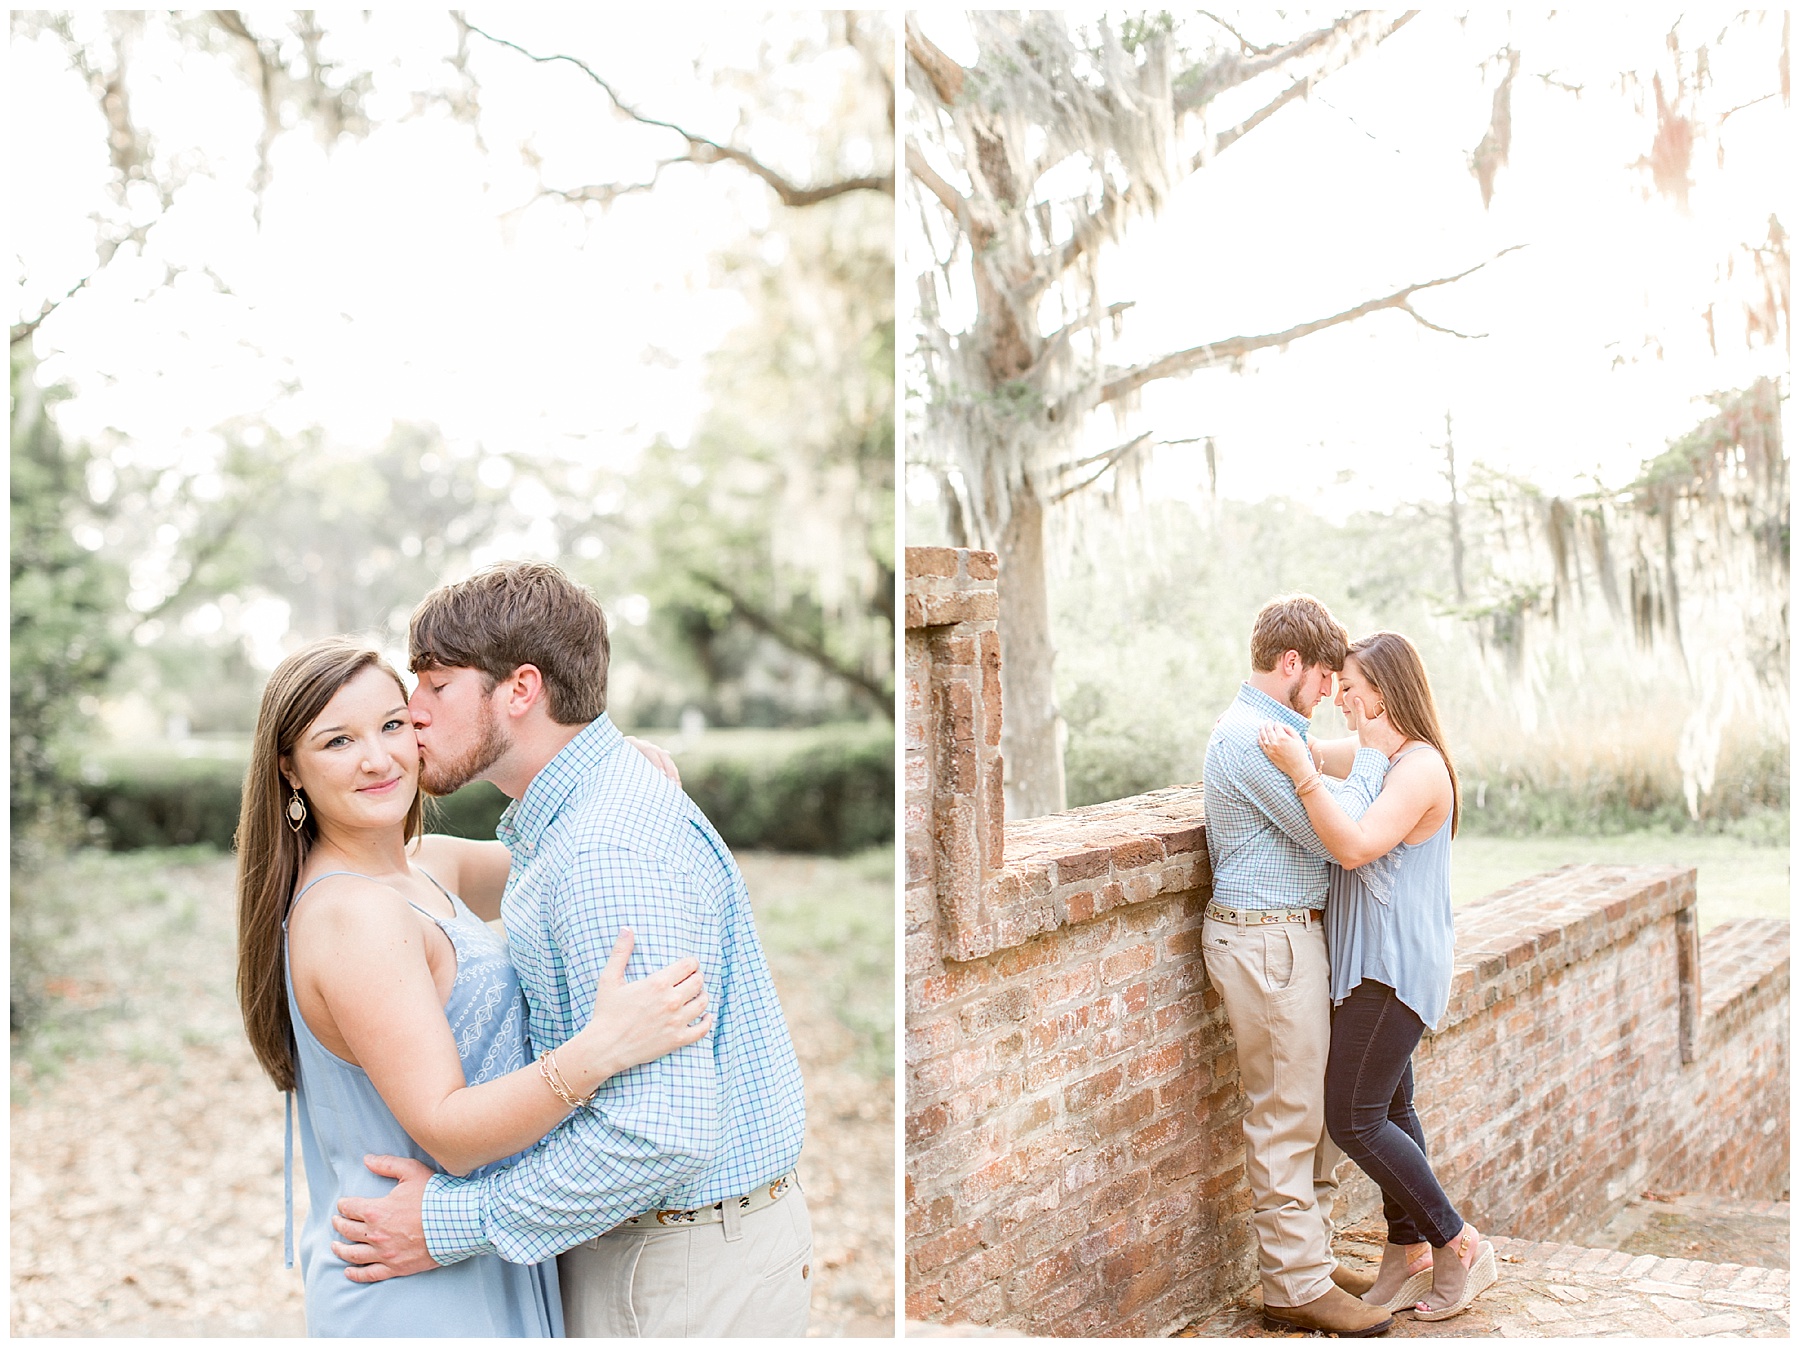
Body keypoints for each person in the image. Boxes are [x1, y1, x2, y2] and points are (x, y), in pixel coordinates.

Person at [328, 560, 811, 1338]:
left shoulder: (603, 848)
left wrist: (449, 1222)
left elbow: (660, 1130)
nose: (411, 712)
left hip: (673, 1270)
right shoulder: (576, 818)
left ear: (520, 690)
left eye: (435, 685)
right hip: (655, 1248)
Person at [237, 638, 713, 1336]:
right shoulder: (353, 915)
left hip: (471, 1249)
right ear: (290, 769)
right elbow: (450, 1132)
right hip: (414, 1277)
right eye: (338, 741)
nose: (378, 758)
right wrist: (600, 1050)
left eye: (393, 725)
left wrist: (610, 763)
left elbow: (561, 836)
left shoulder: (425, 867)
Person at [1257, 630, 1498, 1322]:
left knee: (1354, 1117)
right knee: (1391, 1110)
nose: (1341, 696)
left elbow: (1357, 846)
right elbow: (1307, 752)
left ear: (1384, 690)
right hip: (1367, 965)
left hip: (1393, 970)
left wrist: (1302, 777)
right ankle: (1407, 1251)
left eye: (1352, 685)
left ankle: (1459, 1243)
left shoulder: (1418, 768)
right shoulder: (1375, 752)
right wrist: (1271, 745)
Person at [1200, 594, 1395, 1337]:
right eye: (1321, 679)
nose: (1329, 695)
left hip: (1284, 938)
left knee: (1309, 1110)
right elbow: (1335, 830)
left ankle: (1307, 1257)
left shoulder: (1276, 734)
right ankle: (1294, 1286)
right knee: (1285, 1114)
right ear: (1290, 664)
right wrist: (1379, 758)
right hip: (1266, 942)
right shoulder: (1252, 739)